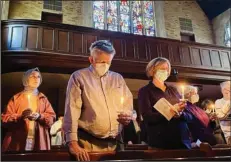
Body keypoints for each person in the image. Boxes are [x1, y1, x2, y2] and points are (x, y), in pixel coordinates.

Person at [63, 40, 133, 161]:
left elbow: (127, 105)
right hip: (88, 142)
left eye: (108, 62)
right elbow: (71, 111)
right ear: (91, 60)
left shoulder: (118, 78)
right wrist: (72, 143)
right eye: (101, 62)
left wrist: (128, 116)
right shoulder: (79, 77)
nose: (105, 65)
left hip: (116, 142)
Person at [138, 57, 192, 149]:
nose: (165, 72)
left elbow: (189, 116)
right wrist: (170, 112)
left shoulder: (173, 90)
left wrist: (180, 113)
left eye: (167, 69)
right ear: (152, 70)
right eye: (162, 69)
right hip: (161, 142)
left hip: (182, 140)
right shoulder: (145, 91)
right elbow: (147, 117)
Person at [1, 68, 56, 151]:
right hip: (18, 141)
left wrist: (39, 116)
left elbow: (51, 118)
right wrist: (21, 116)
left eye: (38, 77)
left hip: (38, 141)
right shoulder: (16, 98)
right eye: (32, 76)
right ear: (26, 78)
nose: (36, 79)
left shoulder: (43, 99)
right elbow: (5, 119)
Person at [215, 81, 231, 145]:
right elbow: (221, 116)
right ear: (223, 90)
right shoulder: (218, 102)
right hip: (226, 133)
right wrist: (229, 101)